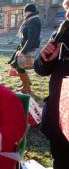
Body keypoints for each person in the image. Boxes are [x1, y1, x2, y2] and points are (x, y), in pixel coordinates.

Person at [34, 0, 69, 168]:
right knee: (60, 160)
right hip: (60, 113)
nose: (67, 14)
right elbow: (41, 70)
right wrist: (44, 59)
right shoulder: (63, 30)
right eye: (68, 8)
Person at [10, 3, 41, 94]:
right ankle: (26, 82)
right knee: (16, 64)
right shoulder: (31, 20)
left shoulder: (33, 21)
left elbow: (31, 38)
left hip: (29, 49)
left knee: (19, 66)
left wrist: (23, 51)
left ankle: (26, 87)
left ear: (29, 12)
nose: (24, 14)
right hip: (26, 47)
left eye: (25, 12)